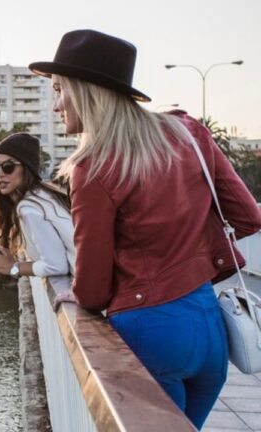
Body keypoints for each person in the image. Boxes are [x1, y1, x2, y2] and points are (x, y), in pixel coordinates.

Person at [30, 29, 261, 429]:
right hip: (210, 329)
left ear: (85, 91)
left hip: (150, 335)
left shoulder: (93, 168)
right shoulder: (188, 132)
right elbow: (248, 216)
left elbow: (93, 289)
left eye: (58, 90)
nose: (55, 106)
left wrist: (77, 293)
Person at [0, 133, 75, 280]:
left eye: (8, 167)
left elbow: (56, 266)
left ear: (26, 168)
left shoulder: (29, 208)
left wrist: (13, 268)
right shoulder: (42, 196)